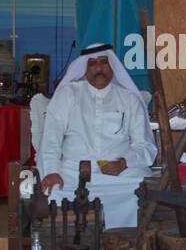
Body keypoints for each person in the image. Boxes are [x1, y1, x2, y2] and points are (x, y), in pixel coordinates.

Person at [38, 42, 156, 229]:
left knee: (140, 190)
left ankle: (123, 245)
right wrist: (52, 171)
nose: (98, 68)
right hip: (74, 174)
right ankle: (73, 245)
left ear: (113, 67)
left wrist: (123, 163)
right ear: (84, 69)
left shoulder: (129, 99)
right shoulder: (68, 95)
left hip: (120, 177)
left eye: (104, 62)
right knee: (54, 191)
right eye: (92, 63)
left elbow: (145, 147)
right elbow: (51, 138)